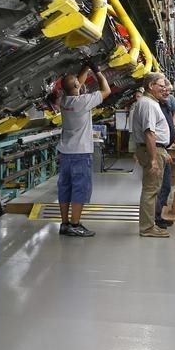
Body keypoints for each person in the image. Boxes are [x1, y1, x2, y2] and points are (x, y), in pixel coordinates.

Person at [57, 61, 111, 237]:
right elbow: (106, 90)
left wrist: (85, 68)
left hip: (65, 153)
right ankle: (75, 225)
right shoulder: (83, 102)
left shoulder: (63, 101)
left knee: (65, 188)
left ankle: (64, 224)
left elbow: (74, 85)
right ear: (77, 86)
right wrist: (97, 70)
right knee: (80, 189)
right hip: (80, 154)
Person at [130, 72, 172, 237]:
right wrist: (154, 159)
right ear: (151, 86)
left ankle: (150, 225)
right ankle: (147, 228)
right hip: (152, 150)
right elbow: (149, 133)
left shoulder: (150, 103)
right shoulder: (148, 104)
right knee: (150, 190)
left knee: (153, 189)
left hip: (155, 149)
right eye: (161, 86)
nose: (164, 89)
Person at [155, 81, 175, 228]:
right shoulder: (154, 106)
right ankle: (154, 218)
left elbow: (169, 128)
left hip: (164, 148)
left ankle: (158, 216)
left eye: (168, 90)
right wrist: (160, 151)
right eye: (163, 89)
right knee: (158, 187)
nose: (167, 92)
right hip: (158, 149)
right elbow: (150, 133)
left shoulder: (167, 104)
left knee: (165, 187)